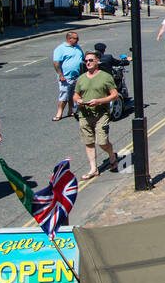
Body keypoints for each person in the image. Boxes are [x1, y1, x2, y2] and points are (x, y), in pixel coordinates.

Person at [73, 50, 119, 180]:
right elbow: (75, 95)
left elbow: (114, 95)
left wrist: (98, 101)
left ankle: (111, 156)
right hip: (84, 114)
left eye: (90, 60)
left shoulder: (105, 77)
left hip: (101, 114)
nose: (87, 62)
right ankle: (93, 169)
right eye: (86, 60)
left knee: (102, 142)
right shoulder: (81, 78)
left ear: (97, 62)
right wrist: (78, 100)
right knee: (88, 142)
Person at [51, 31, 85, 122]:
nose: (78, 40)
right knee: (64, 96)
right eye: (76, 38)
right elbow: (56, 63)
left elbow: (82, 59)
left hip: (77, 76)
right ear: (69, 39)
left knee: (73, 95)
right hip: (66, 77)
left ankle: (70, 111)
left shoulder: (77, 47)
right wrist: (60, 74)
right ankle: (59, 113)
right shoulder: (60, 49)